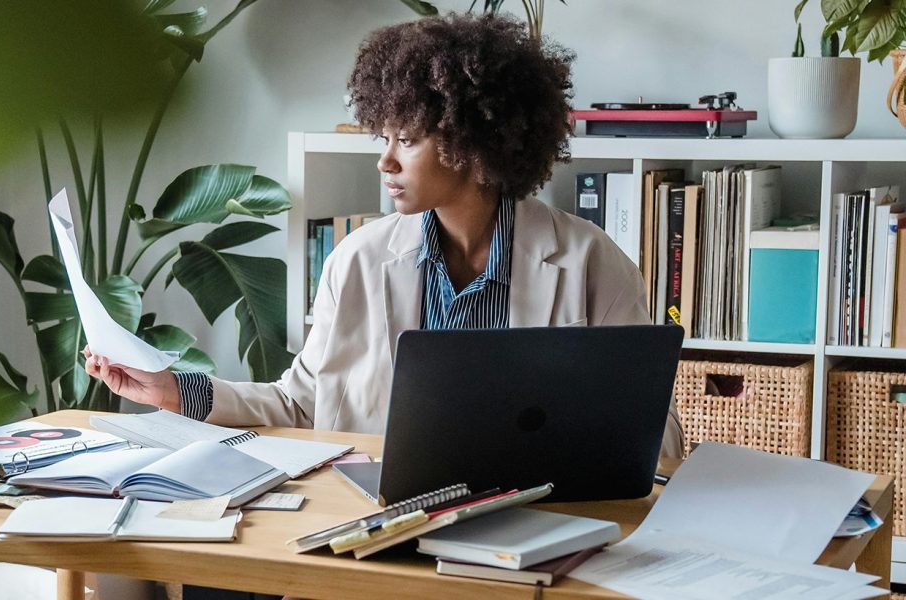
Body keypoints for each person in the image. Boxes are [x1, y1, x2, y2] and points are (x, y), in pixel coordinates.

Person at [85, 12, 684, 459]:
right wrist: (172, 391)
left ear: (472, 141)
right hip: (383, 522)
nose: (386, 162)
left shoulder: (589, 262)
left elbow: (652, 439)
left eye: (408, 139)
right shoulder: (356, 261)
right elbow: (299, 404)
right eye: (384, 138)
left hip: (535, 527)